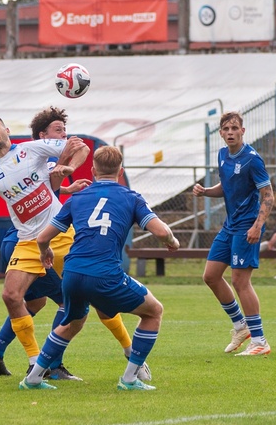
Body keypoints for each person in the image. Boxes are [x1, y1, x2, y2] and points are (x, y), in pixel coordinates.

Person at [0, 106, 148, 382]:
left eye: (65, 131)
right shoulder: (33, 154)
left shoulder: (44, 163)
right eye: (59, 131)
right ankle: (49, 365)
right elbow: (49, 180)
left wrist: (67, 179)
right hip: (25, 241)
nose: (65, 136)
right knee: (72, 304)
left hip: (50, 238)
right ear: (44, 136)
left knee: (34, 303)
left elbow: (60, 172)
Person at [22, 145, 179, 390]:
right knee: (153, 312)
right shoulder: (131, 197)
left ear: (93, 170)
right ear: (120, 171)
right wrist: (172, 241)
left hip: (72, 274)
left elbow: (42, 238)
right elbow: (161, 231)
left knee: (72, 322)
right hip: (105, 274)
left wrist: (45, 254)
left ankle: (33, 378)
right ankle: (129, 379)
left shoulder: (76, 198)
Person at [0, 112, 89, 376]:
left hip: (59, 237)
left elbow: (80, 147)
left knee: (41, 303)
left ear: (7, 129)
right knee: (41, 300)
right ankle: (44, 364)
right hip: (25, 242)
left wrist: (69, 172)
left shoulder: (33, 150)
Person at [193, 111, 274, 356]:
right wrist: (206, 191)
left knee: (240, 281)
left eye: (234, 128)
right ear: (221, 133)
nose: (230, 132)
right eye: (226, 129)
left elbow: (268, 195)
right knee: (211, 276)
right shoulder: (221, 155)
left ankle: (259, 341)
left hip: (247, 226)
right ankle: (241, 326)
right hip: (230, 225)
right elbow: (226, 187)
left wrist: (257, 226)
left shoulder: (252, 159)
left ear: (243, 131)